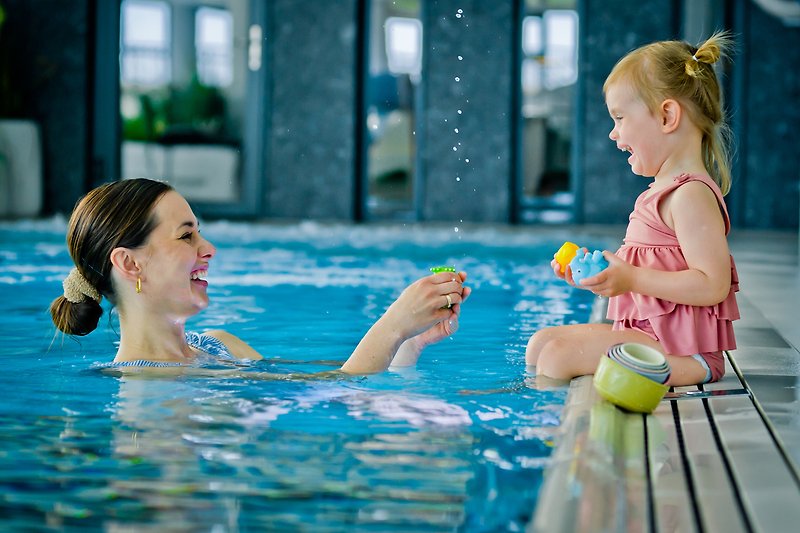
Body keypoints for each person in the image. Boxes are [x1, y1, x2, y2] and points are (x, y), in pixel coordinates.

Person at [50, 178, 470, 375]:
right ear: (129, 264)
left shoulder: (218, 343)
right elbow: (340, 401)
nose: (208, 248)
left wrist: (408, 341)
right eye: (186, 235)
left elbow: (329, 380)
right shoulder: (146, 388)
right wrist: (392, 324)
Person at [526, 31, 739, 386]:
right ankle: (540, 413)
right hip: (656, 340)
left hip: (688, 355)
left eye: (620, 118)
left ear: (668, 115)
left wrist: (633, 278)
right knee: (540, 344)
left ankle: (554, 434)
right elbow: (652, 273)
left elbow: (712, 284)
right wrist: (605, 279)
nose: (613, 133)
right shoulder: (662, 192)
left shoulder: (691, 195)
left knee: (557, 355)